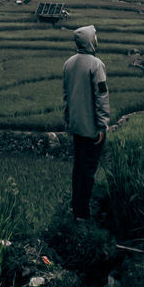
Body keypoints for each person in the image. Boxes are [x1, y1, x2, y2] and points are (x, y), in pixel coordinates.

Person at [62, 23, 110, 220]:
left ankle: (76, 208)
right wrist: (102, 124)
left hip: (76, 125)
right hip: (91, 128)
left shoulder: (68, 63)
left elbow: (66, 96)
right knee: (89, 170)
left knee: (78, 168)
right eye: (95, 36)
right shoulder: (96, 65)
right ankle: (83, 213)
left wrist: (69, 121)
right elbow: (101, 96)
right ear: (90, 40)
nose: (97, 39)